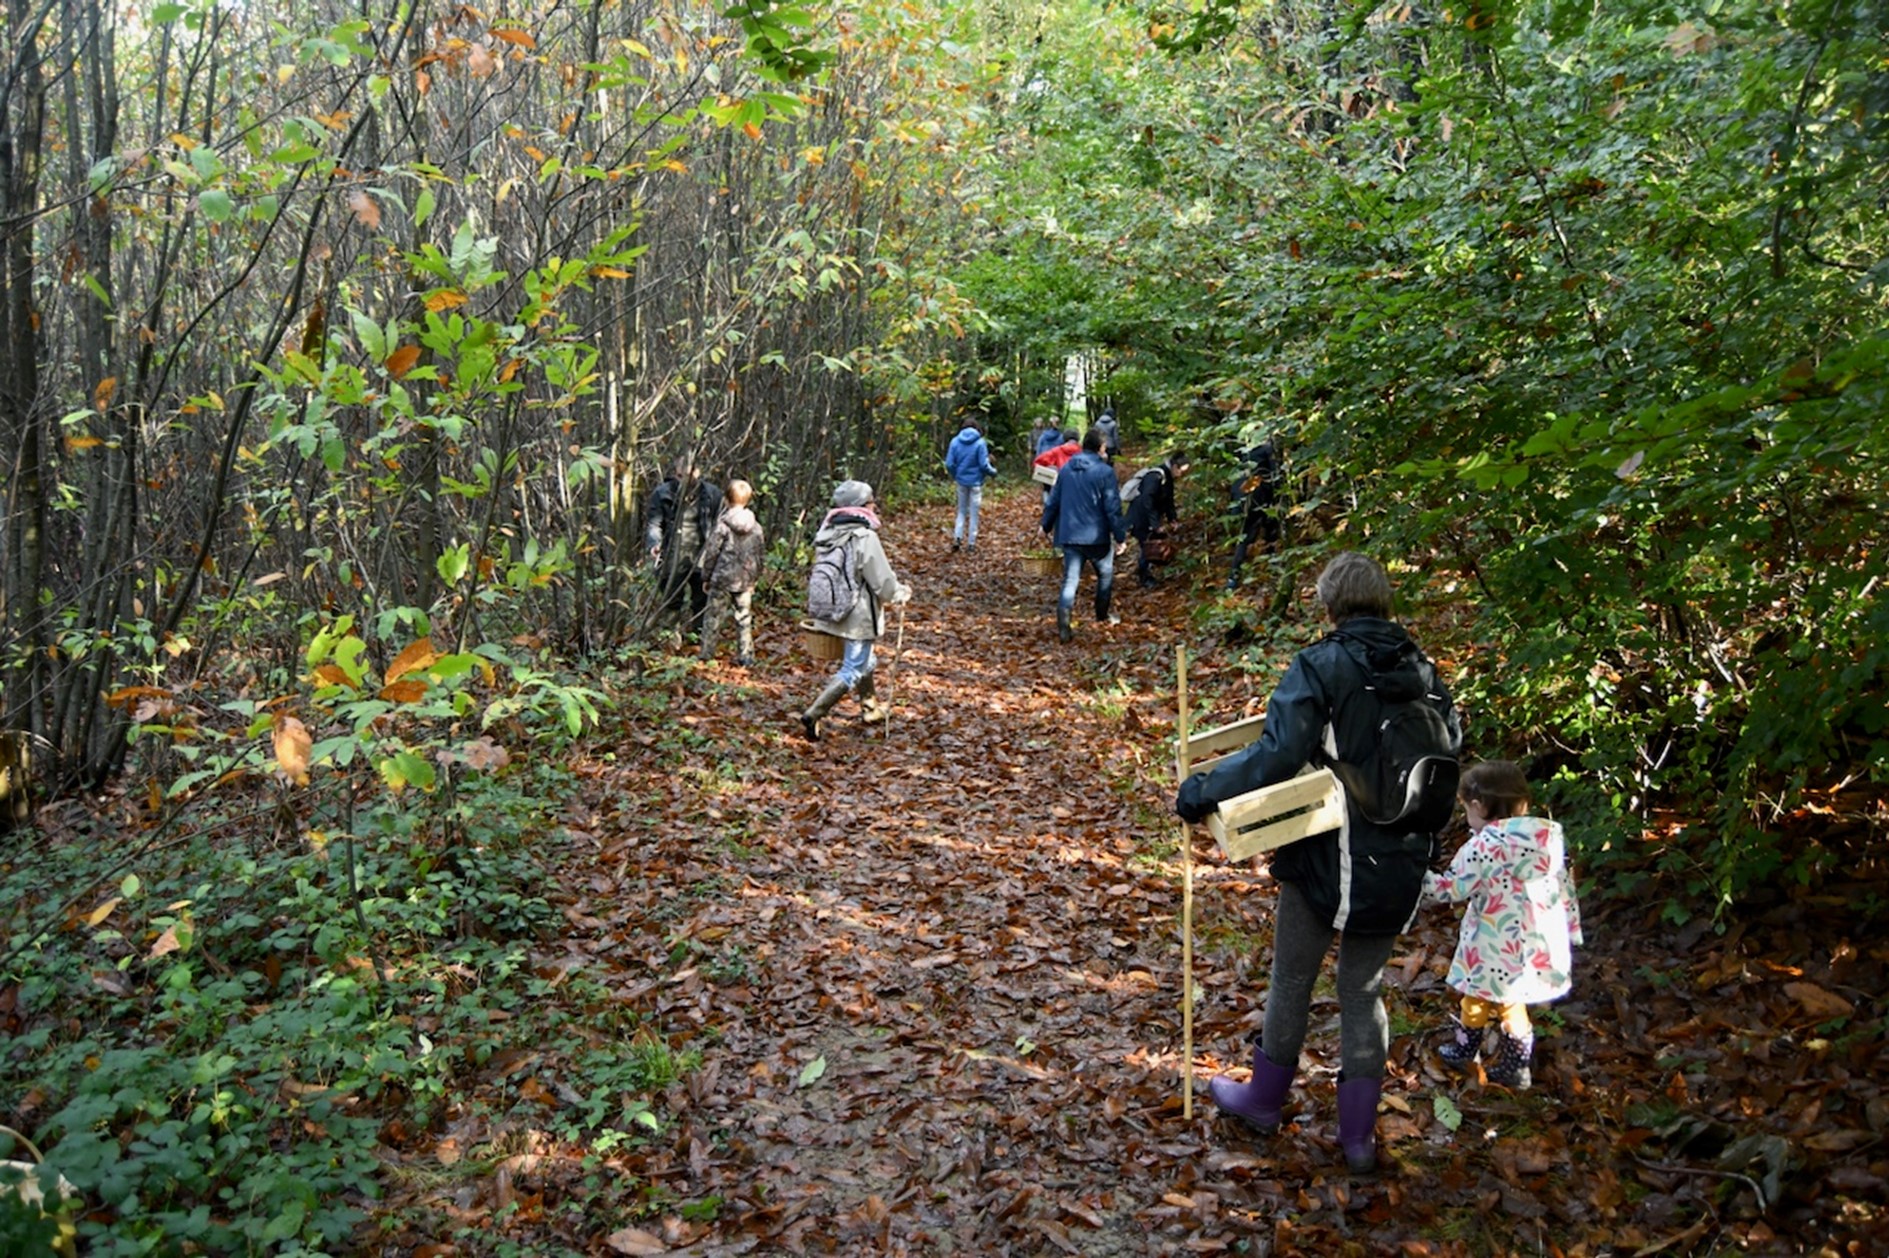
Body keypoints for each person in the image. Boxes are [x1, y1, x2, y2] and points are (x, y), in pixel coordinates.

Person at [1174, 552, 1460, 1174]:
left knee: (1293, 980)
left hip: (1326, 858)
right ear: (1385, 602)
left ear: (1329, 606)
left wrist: (1200, 791)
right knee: (1363, 992)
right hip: (1403, 861)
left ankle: (1263, 1100)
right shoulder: (1429, 674)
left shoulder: (1321, 665)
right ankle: (1357, 1140)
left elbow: (1276, 757)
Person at [1421, 760, 1582, 1090]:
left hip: (1494, 941)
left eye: (1466, 808)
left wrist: (1417, 876)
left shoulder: (1484, 846)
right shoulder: (1548, 839)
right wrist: (1570, 930)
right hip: (1535, 943)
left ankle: (1470, 1050)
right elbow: (1565, 888)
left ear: (1477, 805)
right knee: (1511, 1001)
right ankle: (1514, 1063)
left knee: (1478, 995)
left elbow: (1452, 888)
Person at [799, 480, 912, 741]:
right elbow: (881, 580)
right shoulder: (864, 537)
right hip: (857, 616)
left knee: (866, 661)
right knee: (853, 667)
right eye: (872, 501)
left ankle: (870, 708)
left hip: (832, 611)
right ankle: (814, 712)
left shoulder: (826, 533)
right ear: (862, 506)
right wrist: (900, 593)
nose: (875, 505)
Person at [1039, 428, 1125, 643]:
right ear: (1101, 448)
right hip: (1097, 537)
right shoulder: (1105, 472)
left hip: (1070, 535)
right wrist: (1120, 536)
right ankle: (1101, 615)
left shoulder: (1067, 469)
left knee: (1070, 580)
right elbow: (1112, 508)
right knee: (1105, 576)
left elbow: (1054, 501)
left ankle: (1064, 624)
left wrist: (1045, 525)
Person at [644, 455, 723, 641]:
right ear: (675, 474)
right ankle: (671, 639)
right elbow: (654, 524)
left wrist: (717, 553)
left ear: (698, 473)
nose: (685, 480)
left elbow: (719, 526)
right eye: (680, 475)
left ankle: (697, 638)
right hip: (672, 555)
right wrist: (655, 545)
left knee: (701, 599)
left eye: (689, 475)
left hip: (701, 555)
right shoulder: (662, 493)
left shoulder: (712, 494)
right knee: (671, 599)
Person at [697, 479, 765, 667]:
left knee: (713, 617)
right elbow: (760, 555)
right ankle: (746, 656)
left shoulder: (723, 525)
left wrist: (706, 576)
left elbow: (712, 553)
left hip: (722, 580)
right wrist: (755, 578)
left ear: (726, 500)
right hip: (744, 580)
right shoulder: (756, 527)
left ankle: (706, 654)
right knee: (744, 618)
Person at [1124, 451, 1191, 588]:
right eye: (1181, 471)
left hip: (1150, 518)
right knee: (1146, 547)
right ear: (1174, 467)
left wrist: (1172, 519)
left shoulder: (1168, 478)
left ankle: (1146, 573)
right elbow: (1147, 500)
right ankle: (1145, 577)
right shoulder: (1155, 476)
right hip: (1140, 518)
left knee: (1151, 546)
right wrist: (1155, 524)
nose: (1182, 475)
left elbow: (1169, 501)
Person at [1226, 437, 1282, 591]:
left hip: (1243, 498)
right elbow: (1274, 476)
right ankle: (1273, 569)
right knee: (1270, 533)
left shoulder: (1245, 453)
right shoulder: (1267, 450)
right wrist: (1277, 497)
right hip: (1260, 498)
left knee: (1244, 538)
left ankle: (1233, 579)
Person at [943, 419, 998, 553]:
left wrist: (956, 475)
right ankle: (971, 544)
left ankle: (957, 537)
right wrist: (993, 472)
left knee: (961, 511)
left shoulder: (955, 442)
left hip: (961, 482)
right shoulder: (980, 443)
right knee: (974, 514)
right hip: (976, 483)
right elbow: (984, 465)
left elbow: (949, 464)